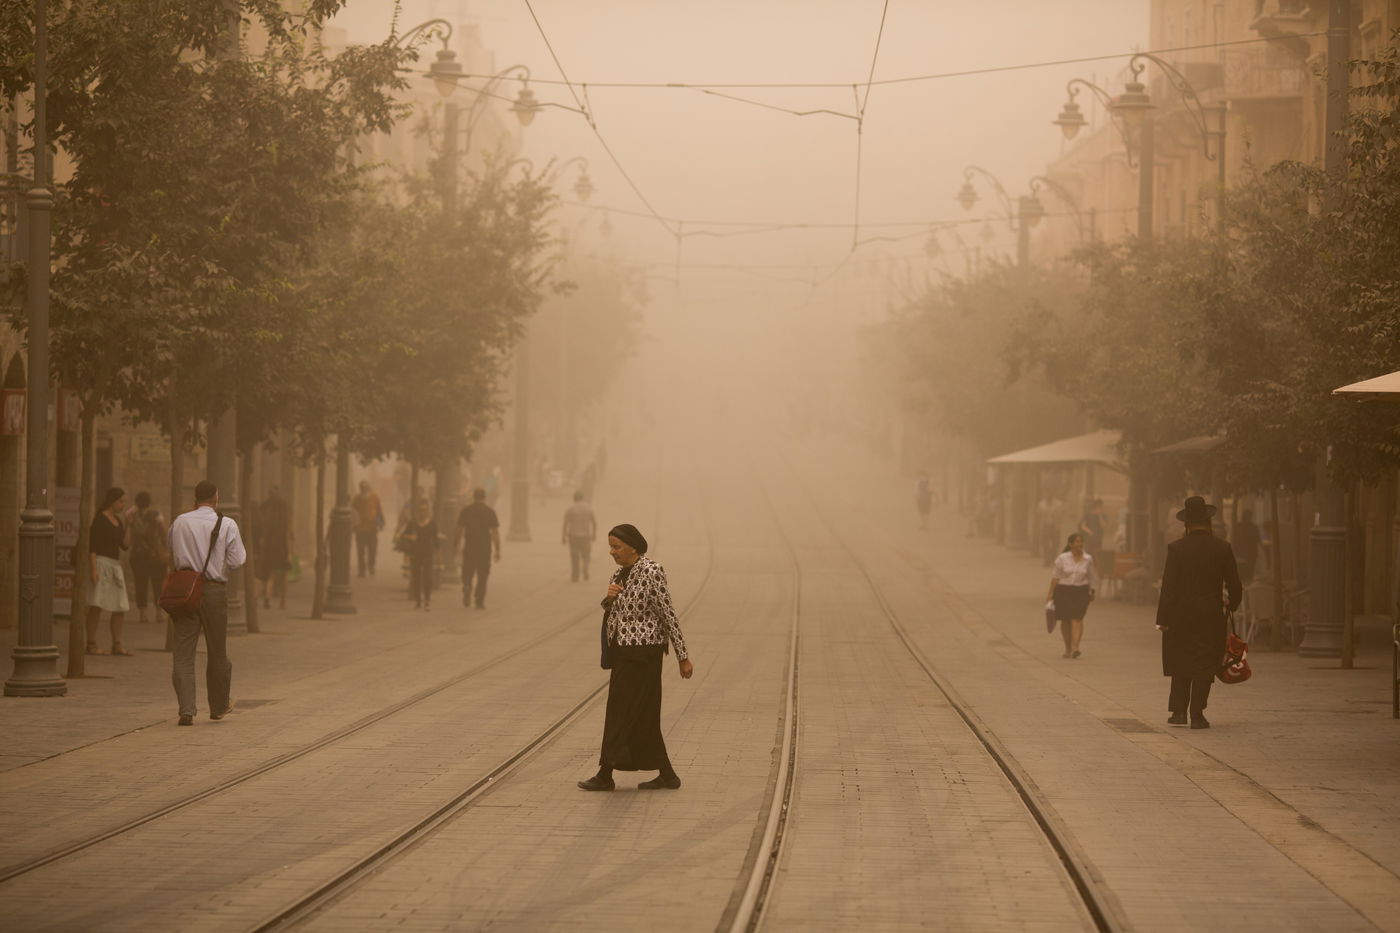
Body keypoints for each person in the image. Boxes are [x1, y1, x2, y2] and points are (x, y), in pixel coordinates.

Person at [578, 524, 694, 792]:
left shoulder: (651, 571)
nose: (612, 552)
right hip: (624, 652)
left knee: (622, 711)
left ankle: (606, 774)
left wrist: (683, 657)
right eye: (610, 546)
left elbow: (667, 612)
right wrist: (607, 599)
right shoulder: (619, 573)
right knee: (642, 714)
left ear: (633, 546)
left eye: (616, 546)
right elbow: (616, 611)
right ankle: (666, 774)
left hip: (644, 653)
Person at [1156, 496, 1242, 729]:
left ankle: (1178, 712)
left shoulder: (1176, 549)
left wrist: (1162, 619)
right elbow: (1234, 584)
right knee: (1205, 662)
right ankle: (1197, 714)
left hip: (1179, 616)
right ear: (1208, 521)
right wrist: (1231, 605)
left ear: (1187, 524)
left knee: (1181, 661)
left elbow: (1169, 587)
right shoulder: (1222, 548)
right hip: (1210, 615)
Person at [167, 480, 246, 725]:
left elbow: (171, 549)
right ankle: (219, 706)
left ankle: (186, 710)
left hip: (185, 591)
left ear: (195, 498)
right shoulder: (227, 524)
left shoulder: (179, 522)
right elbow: (237, 560)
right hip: (213, 591)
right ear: (216, 498)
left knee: (183, 653)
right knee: (217, 650)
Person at [86, 487, 132, 656]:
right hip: (101, 563)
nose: (123, 504)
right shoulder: (100, 519)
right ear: (112, 501)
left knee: (120, 606)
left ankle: (117, 644)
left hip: (115, 565)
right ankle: (91, 644)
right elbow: (93, 546)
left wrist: (129, 525)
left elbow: (125, 545)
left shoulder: (118, 521)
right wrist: (93, 569)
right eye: (121, 501)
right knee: (96, 605)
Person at [1045, 532, 1098, 660]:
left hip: (1081, 591)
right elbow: (1055, 577)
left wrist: (1092, 590)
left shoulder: (1088, 559)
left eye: (1081, 542)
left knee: (1077, 618)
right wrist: (1050, 594)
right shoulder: (1062, 558)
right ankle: (1067, 648)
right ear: (1071, 544)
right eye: (1077, 542)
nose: (1080, 544)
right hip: (1063, 591)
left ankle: (1075, 647)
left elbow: (1092, 576)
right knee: (1065, 620)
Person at [453, 488, 501, 609]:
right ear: (484, 498)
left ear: (473, 497)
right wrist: (497, 550)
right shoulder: (490, 512)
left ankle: (467, 585)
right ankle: (479, 600)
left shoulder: (466, 511)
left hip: (470, 546)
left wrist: (456, 545)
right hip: (484, 548)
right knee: (483, 574)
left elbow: (459, 530)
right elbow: (495, 532)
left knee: (467, 570)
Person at [126, 490, 168, 625]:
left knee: (141, 583)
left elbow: (130, 536)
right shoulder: (156, 515)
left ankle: (143, 614)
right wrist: (165, 551)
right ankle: (158, 613)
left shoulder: (132, 515)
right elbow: (164, 534)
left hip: (138, 554)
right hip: (155, 554)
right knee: (157, 584)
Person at [254, 486, 291, 610]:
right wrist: (290, 549)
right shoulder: (283, 506)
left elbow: (261, 525)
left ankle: (267, 597)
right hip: (280, 545)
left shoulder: (265, 506)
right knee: (282, 573)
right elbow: (287, 528)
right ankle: (282, 602)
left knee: (270, 573)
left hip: (269, 545)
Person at [399, 499, 438, 611]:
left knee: (427, 577)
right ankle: (418, 600)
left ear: (428, 511)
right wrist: (409, 537)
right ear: (417, 511)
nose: (423, 512)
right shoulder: (412, 523)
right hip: (415, 554)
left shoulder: (432, 524)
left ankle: (427, 601)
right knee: (416, 577)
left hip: (428, 554)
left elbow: (436, 542)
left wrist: (438, 558)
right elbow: (402, 536)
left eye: (425, 510)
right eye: (421, 510)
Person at [562, 491, 597, 582]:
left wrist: (563, 537)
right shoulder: (589, 508)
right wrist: (594, 534)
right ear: (583, 498)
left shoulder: (570, 509)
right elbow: (594, 522)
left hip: (573, 536)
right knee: (586, 555)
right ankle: (585, 567)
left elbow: (565, 524)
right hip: (586, 536)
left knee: (574, 556)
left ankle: (575, 576)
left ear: (574, 498)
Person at [351, 480, 384, 578]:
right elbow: (353, 513)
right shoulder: (356, 499)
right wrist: (354, 526)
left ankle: (371, 565)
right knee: (360, 551)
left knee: (372, 549)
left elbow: (379, 511)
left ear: (369, 488)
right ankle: (362, 570)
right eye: (362, 488)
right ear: (360, 489)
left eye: (366, 488)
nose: (364, 490)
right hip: (360, 529)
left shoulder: (374, 497)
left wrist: (381, 523)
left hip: (372, 528)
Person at [1231, 508, 1264, 584]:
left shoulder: (1237, 526)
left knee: (1242, 571)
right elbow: (1258, 539)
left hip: (1240, 553)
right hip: (1251, 553)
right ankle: (1248, 586)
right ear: (1249, 517)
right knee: (1250, 571)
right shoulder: (1253, 527)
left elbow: (1234, 539)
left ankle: (1243, 587)